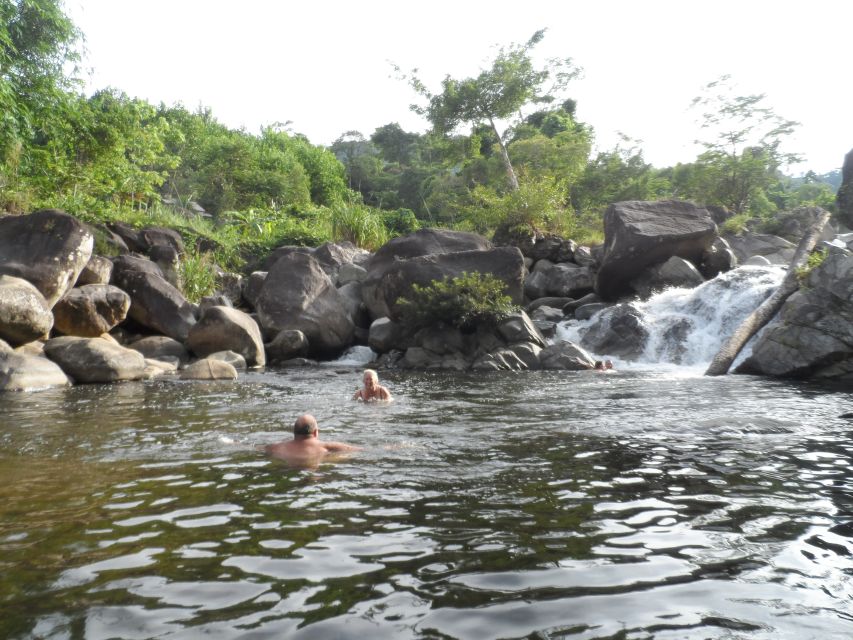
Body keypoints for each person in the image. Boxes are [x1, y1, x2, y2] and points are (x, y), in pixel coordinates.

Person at [263, 414, 360, 466]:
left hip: (289, 468)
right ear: (315, 432)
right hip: (314, 470)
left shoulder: (276, 447)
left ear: (294, 432)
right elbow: (358, 450)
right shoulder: (327, 447)